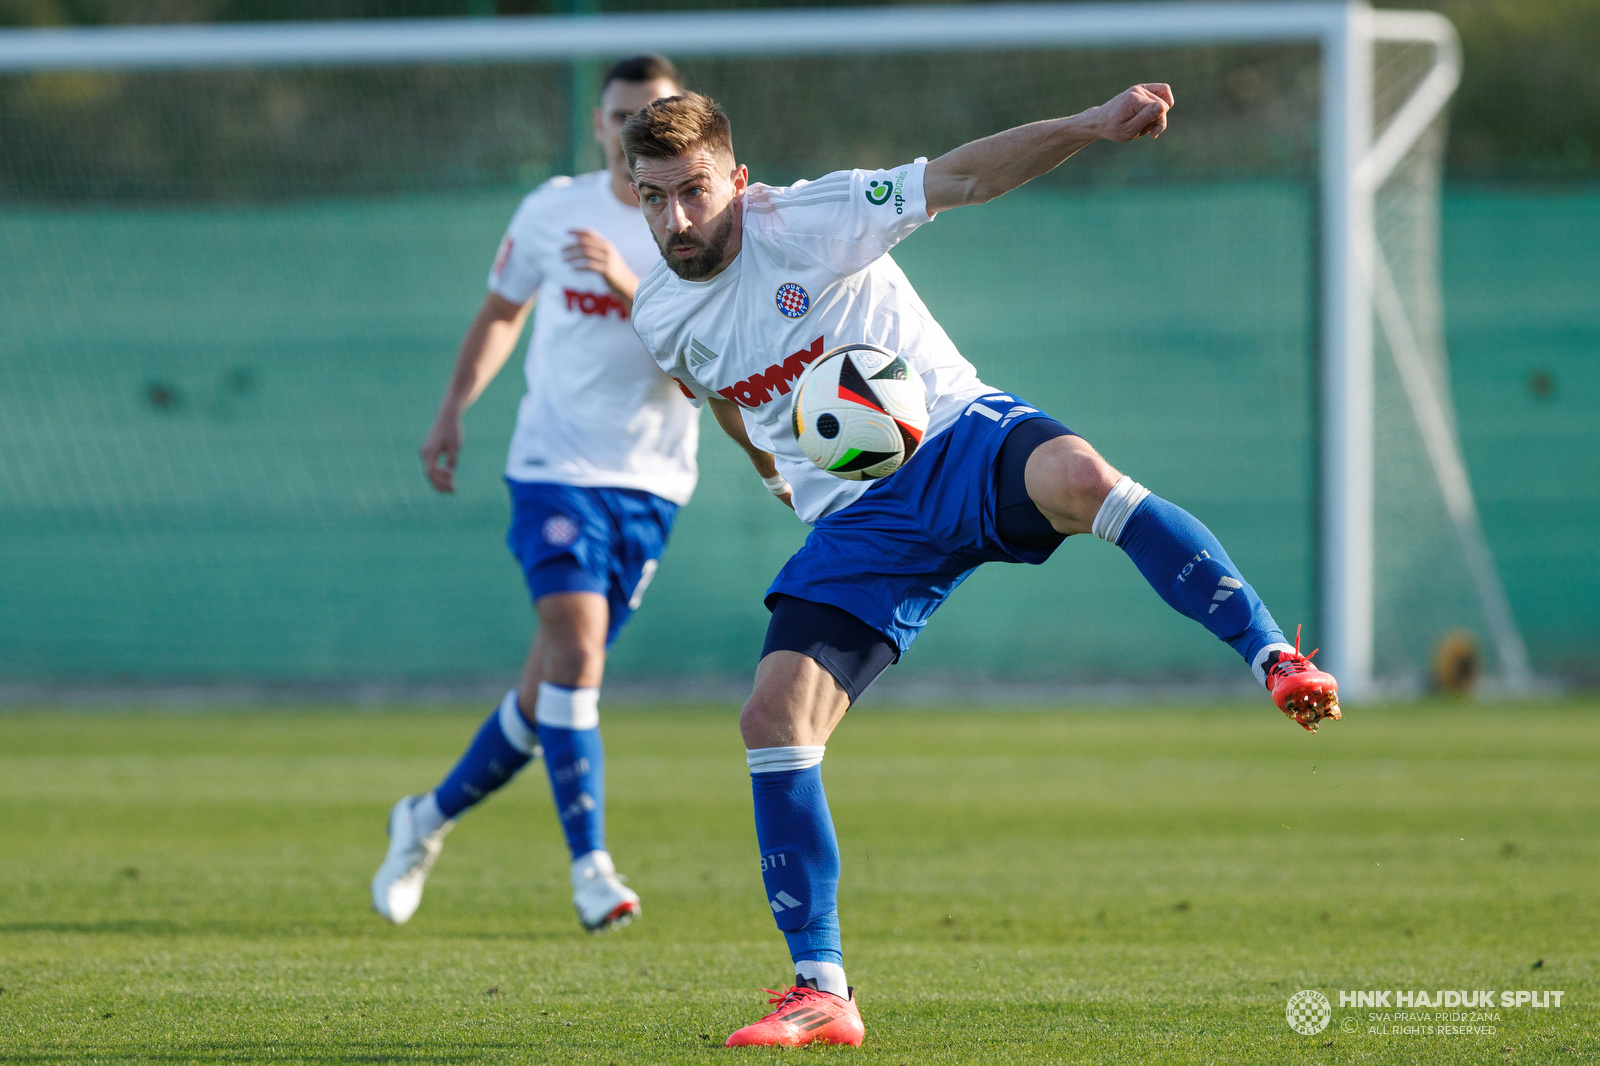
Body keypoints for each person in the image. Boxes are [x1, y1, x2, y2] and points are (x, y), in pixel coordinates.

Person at [621, 88, 1342, 1046]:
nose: (676, 217)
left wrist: (1089, 126)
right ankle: (821, 990)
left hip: (957, 439)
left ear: (737, 181)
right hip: (856, 520)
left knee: (1084, 478)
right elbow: (715, 387)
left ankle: (1272, 656)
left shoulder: (806, 218)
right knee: (773, 717)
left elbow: (961, 174)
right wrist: (770, 472)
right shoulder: (660, 312)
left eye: (694, 191)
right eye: (653, 197)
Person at [370, 55, 714, 934]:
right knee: (576, 644)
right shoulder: (551, 210)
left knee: (550, 693)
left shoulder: (695, 221)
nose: (635, 123)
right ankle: (591, 867)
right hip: (552, 467)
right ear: (599, 124)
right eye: (621, 112)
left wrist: (624, 283)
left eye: (655, 109)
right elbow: (499, 313)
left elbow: (700, 367)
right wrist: (451, 409)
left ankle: (426, 817)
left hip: (651, 481)